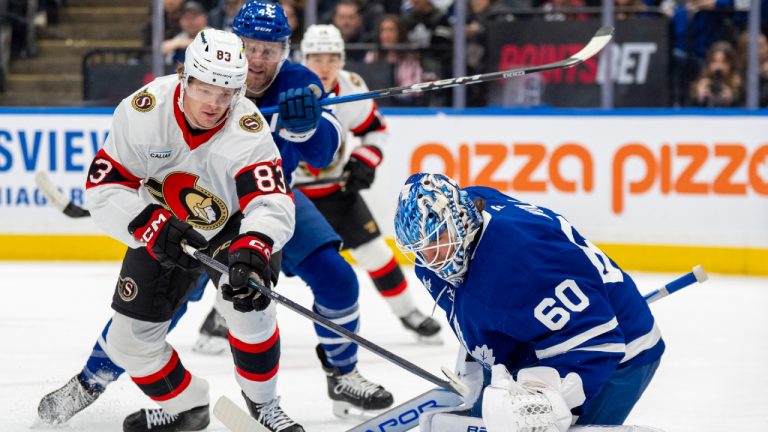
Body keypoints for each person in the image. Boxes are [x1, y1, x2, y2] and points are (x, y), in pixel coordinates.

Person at [43, 28, 297, 432]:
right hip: (163, 221)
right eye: (205, 89)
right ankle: (189, 405)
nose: (215, 104)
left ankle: (264, 406)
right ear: (185, 77)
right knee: (129, 341)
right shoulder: (142, 112)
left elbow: (271, 201)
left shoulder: (248, 127)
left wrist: (256, 243)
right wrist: (149, 224)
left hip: (231, 225)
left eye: (226, 93)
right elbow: (105, 188)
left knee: (251, 310)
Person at [393, 173, 665, 432]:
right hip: (535, 335)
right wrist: (479, 363)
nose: (430, 256)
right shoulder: (450, 237)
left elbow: (598, 344)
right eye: (419, 246)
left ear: (461, 219)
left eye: (437, 238)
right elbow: (482, 305)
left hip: (615, 354)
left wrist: (547, 402)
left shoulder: (527, 262)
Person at [295, 24, 442, 341]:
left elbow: (375, 130)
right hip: (290, 194)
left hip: (336, 190)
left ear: (342, 59)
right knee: (258, 260)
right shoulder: (285, 87)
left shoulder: (351, 88)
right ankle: (221, 320)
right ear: (303, 58)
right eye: (316, 57)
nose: (324, 66)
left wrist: (365, 158)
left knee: (377, 254)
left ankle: (407, 312)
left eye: (332, 57)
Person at [689, 40, 743, 107]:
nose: (719, 66)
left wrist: (732, 101)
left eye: (724, 62)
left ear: (732, 64)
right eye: (714, 61)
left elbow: (748, 114)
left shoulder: (740, 88)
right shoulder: (700, 85)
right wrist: (698, 99)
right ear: (708, 64)